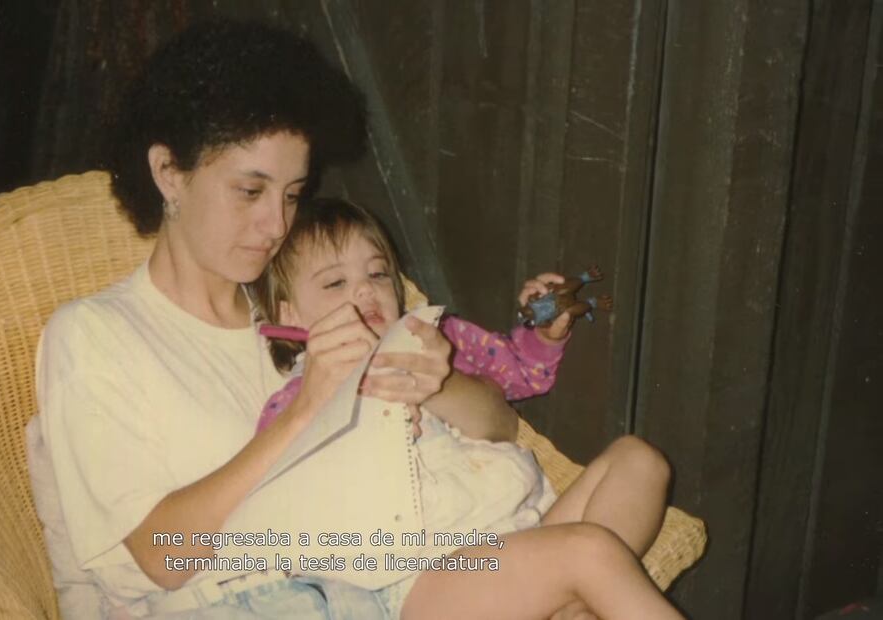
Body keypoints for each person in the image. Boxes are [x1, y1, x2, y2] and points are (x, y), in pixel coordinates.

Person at [29, 18, 523, 619]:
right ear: (168, 173)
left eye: (291, 195)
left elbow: (501, 426)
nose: (276, 226)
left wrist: (432, 383)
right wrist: (306, 410)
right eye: (249, 191)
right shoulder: (96, 335)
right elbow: (162, 556)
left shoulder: (305, 297)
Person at [250, 197, 682, 620]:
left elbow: (519, 372)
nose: (366, 288)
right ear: (290, 315)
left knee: (640, 460)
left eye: (378, 273)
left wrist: (544, 335)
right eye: (334, 283)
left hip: (520, 537)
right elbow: (288, 507)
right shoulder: (303, 398)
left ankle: (571, 609)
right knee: (590, 551)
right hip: (425, 577)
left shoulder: (440, 336)